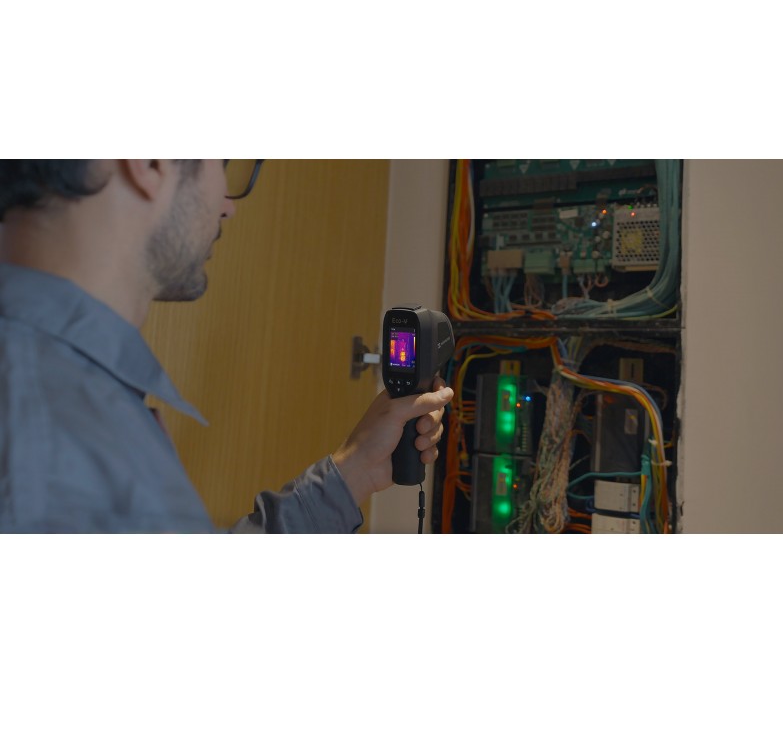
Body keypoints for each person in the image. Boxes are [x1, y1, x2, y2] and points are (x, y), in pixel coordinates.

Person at [0, 159, 453, 533]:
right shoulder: (49, 445)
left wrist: (354, 472)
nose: (228, 206)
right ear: (149, 162)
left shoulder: (58, 401)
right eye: (223, 163)